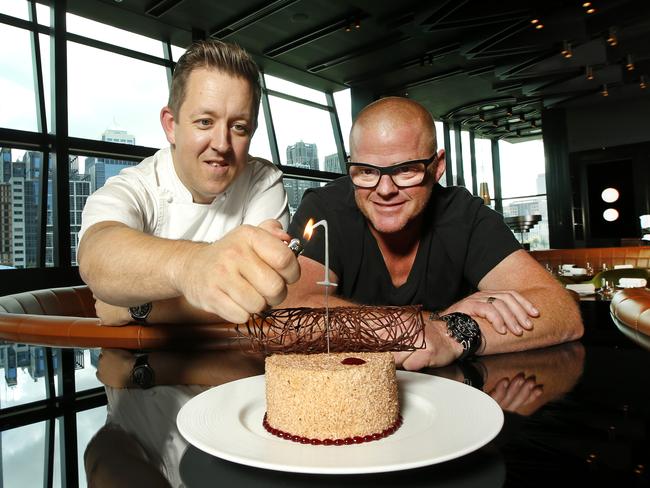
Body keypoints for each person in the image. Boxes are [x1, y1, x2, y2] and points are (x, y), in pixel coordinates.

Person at [282, 97, 583, 369]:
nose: (384, 190)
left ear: (437, 167)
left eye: (405, 170)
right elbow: (288, 314)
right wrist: (433, 323)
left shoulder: (465, 215)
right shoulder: (325, 209)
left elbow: (561, 312)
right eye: (367, 171)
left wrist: (452, 335)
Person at [78, 40, 300, 325]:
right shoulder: (139, 186)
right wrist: (193, 265)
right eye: (205, 122)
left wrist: (135, 310)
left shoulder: (263, 181)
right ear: (171, 125)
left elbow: (258, 302)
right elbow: (97, 255)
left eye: (239, 127)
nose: (221, 144)